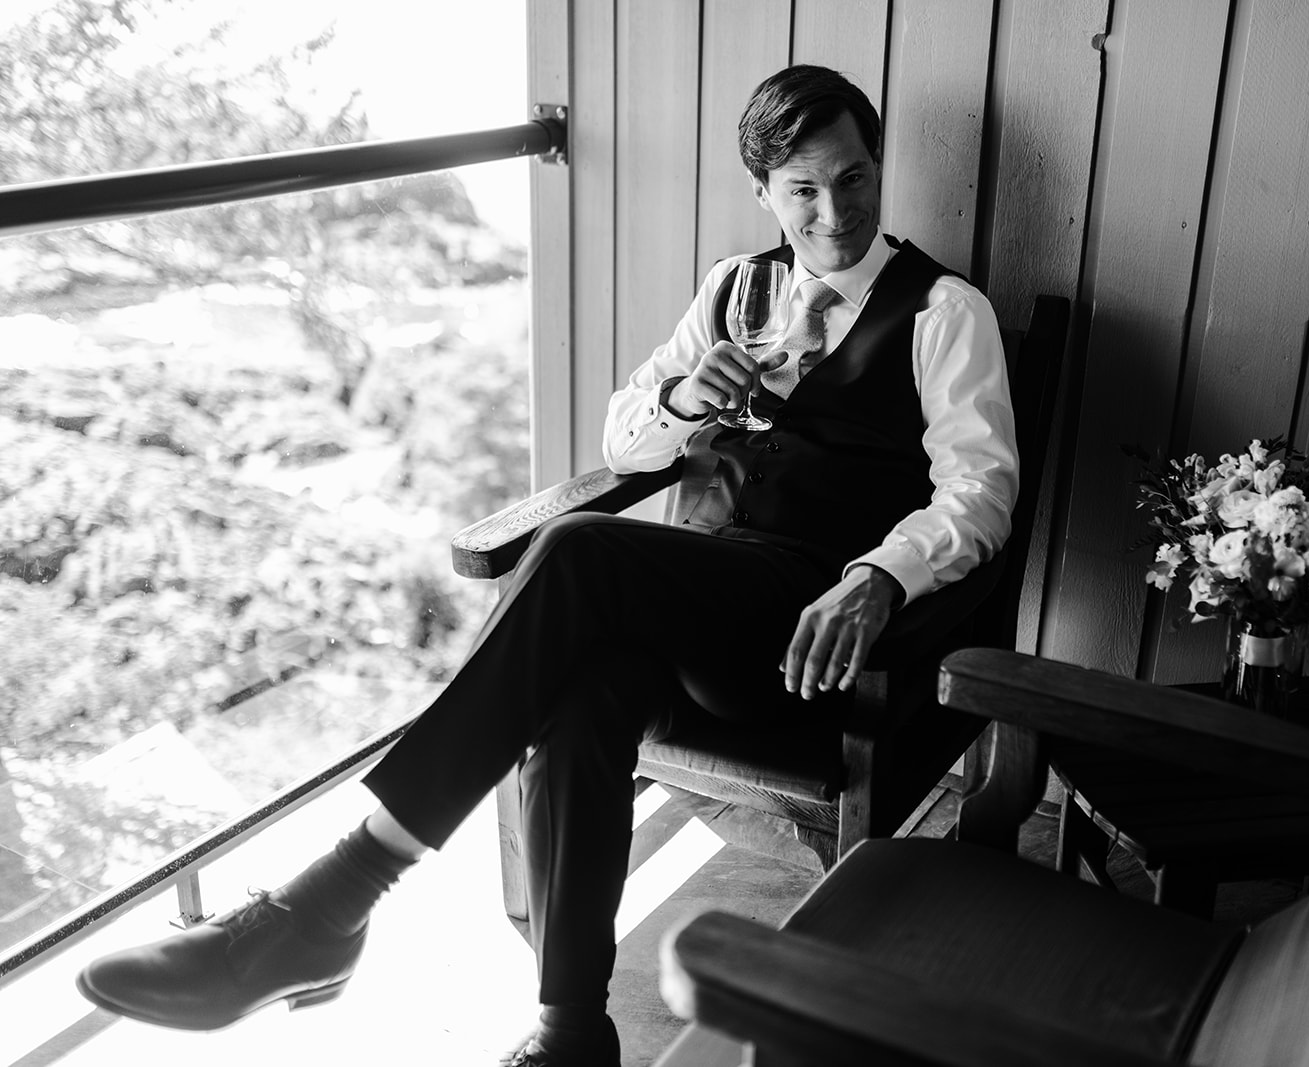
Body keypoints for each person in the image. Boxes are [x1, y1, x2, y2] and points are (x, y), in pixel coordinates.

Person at [74, 64, 1018, 1067]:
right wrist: (684, 401)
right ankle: (572, 1029)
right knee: (584, 694)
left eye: (854, 178)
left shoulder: (943, 312)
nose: (834, 212)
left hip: (806, 625)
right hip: (702, 602)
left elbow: (980, 491)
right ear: (763, 191)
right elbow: (624, 445)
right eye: (803, 189)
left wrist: (879, 577)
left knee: (575, 546)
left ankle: (331, 899)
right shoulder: (735, 289)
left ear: (878, 167)